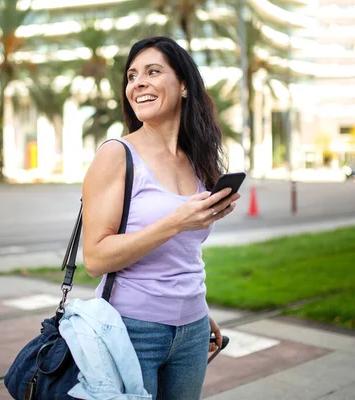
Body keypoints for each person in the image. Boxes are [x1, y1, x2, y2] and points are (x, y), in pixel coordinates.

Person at [81, 36, 241, 399]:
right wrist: (177, 221)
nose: (138, 83)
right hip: (132, 329)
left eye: (153, 72)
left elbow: (182, 254)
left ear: (184, 85)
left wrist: (196, 312)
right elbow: (95, 258)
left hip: (193, 328)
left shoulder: (197, 158)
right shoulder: (117, 154)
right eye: (132, 76)